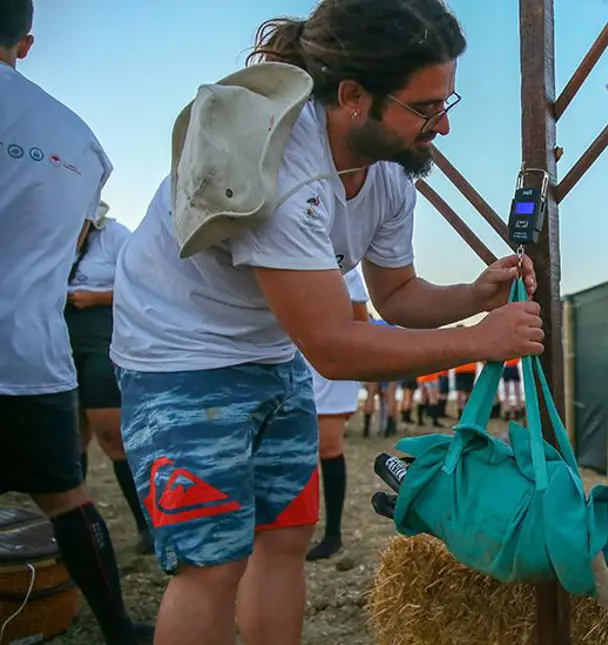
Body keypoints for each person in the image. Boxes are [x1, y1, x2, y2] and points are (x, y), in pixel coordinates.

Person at [109, 2, 543, 644]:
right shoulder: (280, 167)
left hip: (271, 352)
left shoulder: (390, 169)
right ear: (352, 97)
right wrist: (481, 340)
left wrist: (473, 295)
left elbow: (395, 294)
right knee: (211, 562)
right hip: (180, 357)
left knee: (285, 537)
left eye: (446, 103)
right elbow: (334, 349)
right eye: (425, 108)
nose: (442, 127)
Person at [0, 2, 152, 643]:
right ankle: (115, 626)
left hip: (65, 339)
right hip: (32, 348)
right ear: (27, 43)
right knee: (65, 493)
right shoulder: (79, 140)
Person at [66, 203, 152, 554]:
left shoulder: (115, 236)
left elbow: (144, 285)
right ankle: (75, 527)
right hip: (59, 342)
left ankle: (146, 524)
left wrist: (96, 297)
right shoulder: (55, 233)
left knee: (112, 435)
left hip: (103, 339)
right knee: (70, 441)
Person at [302, 267, 370, 561]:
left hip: (331, 367)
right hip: (292, 357)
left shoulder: (347, 269)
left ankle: (333, 535)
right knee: (294, 449)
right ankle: (295, 529)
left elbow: (362, 324)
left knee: (328, 447)